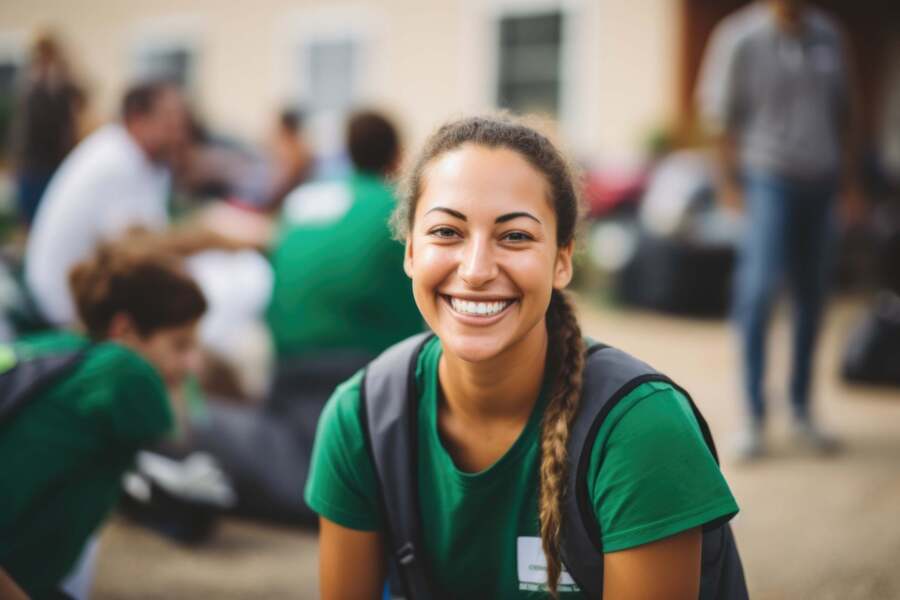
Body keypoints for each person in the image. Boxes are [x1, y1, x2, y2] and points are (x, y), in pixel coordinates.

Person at [304, 115, 740, 598]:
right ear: (410, 253)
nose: (475, 270)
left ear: (561, 260)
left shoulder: (640, 429)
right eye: (447, 232)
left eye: (514, 236)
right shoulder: (361, 417)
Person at [185, 111, 422, 521]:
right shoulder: (396, 207)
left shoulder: (304, 200)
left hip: (287, 362)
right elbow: (411, 310)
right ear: (397, 155)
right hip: (359, 365)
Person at [696, 0, 863, 460]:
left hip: (823, 181)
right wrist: (727, 184)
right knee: (759, 291)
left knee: (813, 296)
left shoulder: (830, 35)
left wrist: (849, 184)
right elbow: (717, 117)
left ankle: (802, 410)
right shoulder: (739, 37)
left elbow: (847, 115)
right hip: (767, 178)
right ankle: (752, 416)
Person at [0, 241, 207, 599]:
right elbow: (185, 442)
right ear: (124, 330)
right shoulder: (126, 372)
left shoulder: (53, 347)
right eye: (180, 345)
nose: (192, 365)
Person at [25, 80, 189, 326]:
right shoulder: (116, 160)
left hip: (87, 296)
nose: (179, 132)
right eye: (169, 122)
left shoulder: (147, 160)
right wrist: (214, 238)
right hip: (66, 306)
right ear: (137, 119)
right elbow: (134, 248)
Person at [10, 33, 84, 225]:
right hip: (34, 164)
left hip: (53, 163)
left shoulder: (59, 85)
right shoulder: (30, 85)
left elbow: (79, 97)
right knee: (34, 220)